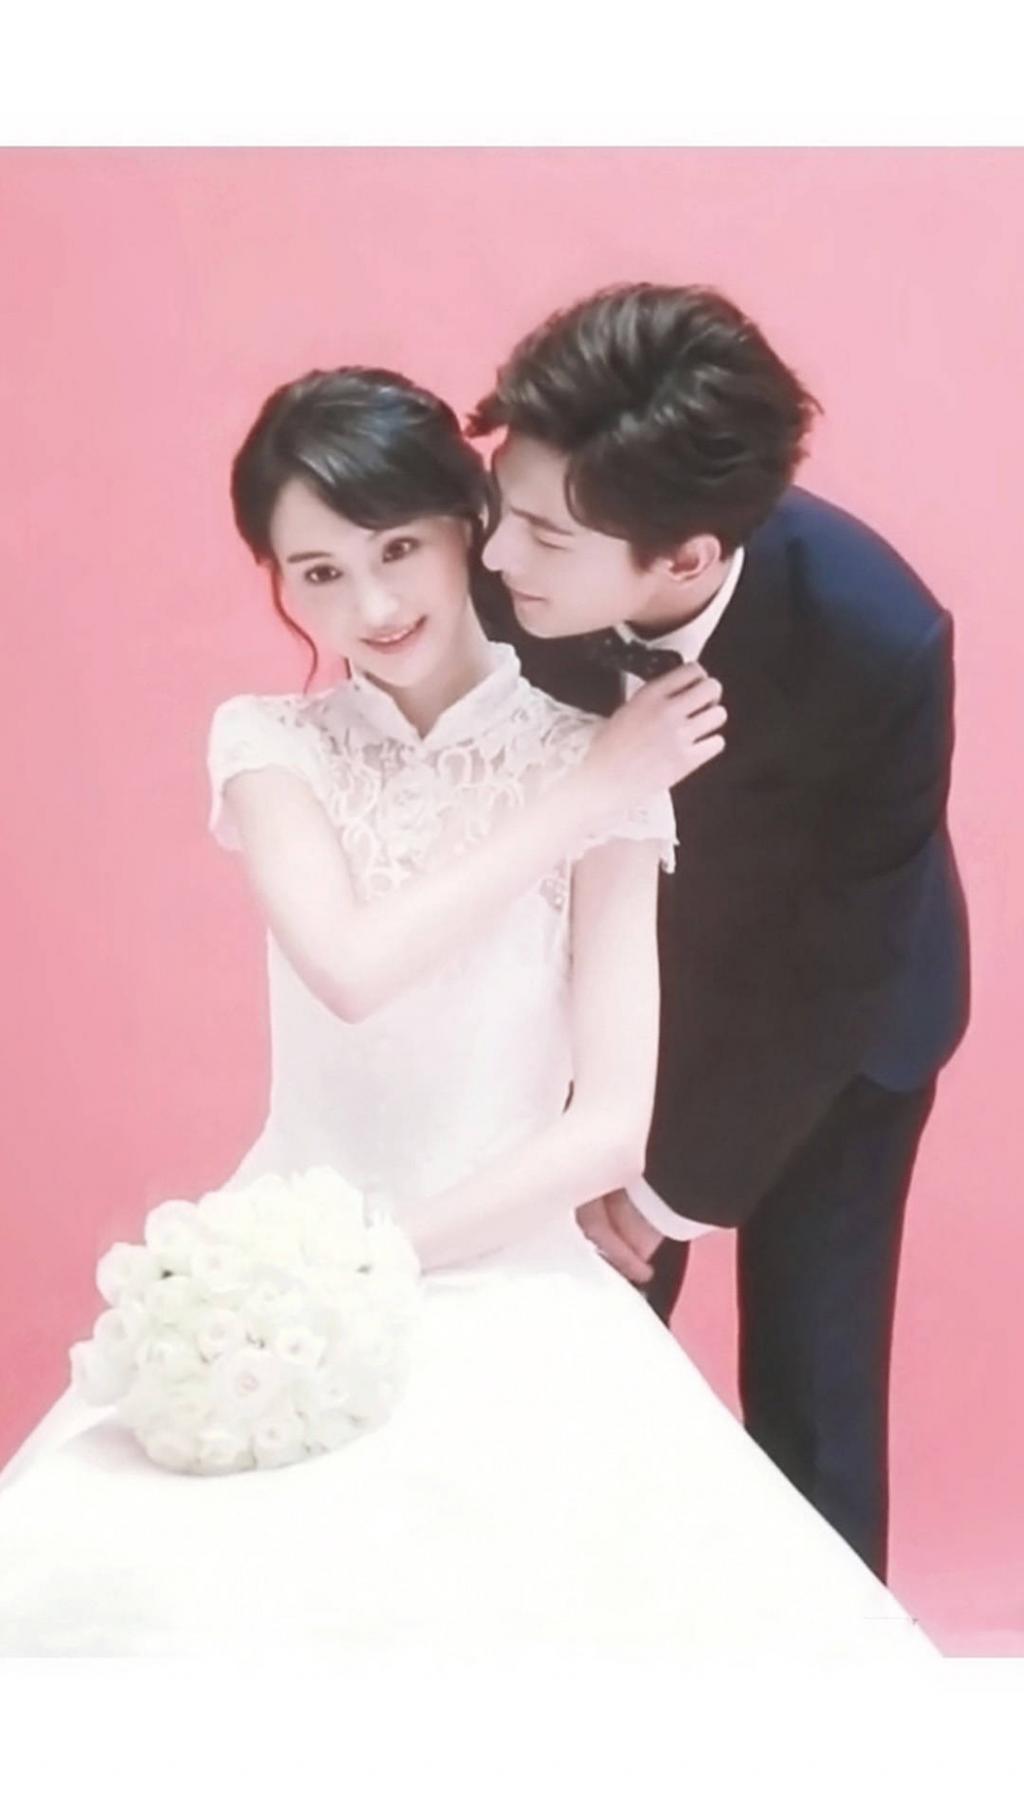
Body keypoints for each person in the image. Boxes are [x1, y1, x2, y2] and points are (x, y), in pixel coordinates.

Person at [0, 367, 933, 1657]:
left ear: (469, 527)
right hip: (294, 1235)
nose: (373, 605)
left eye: (399, 549)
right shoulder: (270, 742)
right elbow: (349, 969)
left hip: (503, 1258)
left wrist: (379, 1262)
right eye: (318, 573)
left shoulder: (615, 742)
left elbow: (611, 1126)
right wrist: (586, 792)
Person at [470, 282, 971, 1582]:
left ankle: (834, 1681)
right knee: (563, 1370)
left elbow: (835, 953)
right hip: (596, 992)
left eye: (543, 535)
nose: (497, 557)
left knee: (813, 1395)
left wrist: (662, 1186)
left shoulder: (881, 638)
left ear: (686, 560)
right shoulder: (495, 556)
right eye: (501, 504)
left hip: (836, 1028)